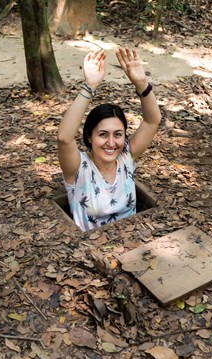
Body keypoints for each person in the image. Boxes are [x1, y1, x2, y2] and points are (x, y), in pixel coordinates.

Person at [57, 48, 161, 231]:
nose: (111, 143)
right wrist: (89, 87)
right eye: (103, 134)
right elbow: (64, 138)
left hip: (133, 244)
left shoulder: (126, 157)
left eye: (118, 134)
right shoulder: (78, 168)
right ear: (89, 136)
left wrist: (142, 84)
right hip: (91, 253)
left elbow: (152, 120)